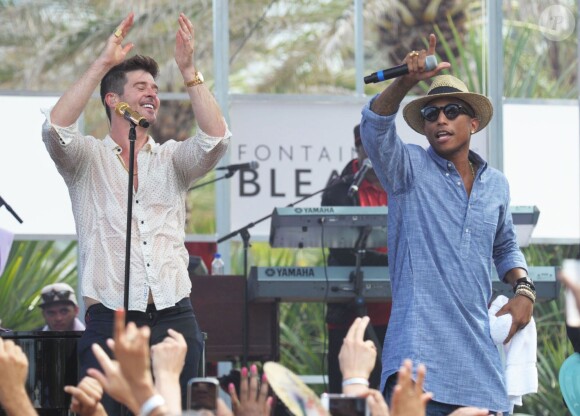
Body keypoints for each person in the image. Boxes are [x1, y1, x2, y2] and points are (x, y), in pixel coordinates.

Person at [41, 11, 230, 414]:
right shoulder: (87, 159)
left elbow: (215, 141)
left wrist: (189, 69)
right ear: (114, 100)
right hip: (110, 317)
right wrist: (102, 65)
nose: (153, 94)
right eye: (140, 86)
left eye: (156, 89)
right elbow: (55, 129)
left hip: (174, 315)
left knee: (181, 409)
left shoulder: (171, 159)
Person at [359, 34, 535, 415]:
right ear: (423, 127)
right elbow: (373, 128)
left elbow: (504, 246)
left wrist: (524, 289)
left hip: (481, 368)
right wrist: (406, 80)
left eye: (452, 110)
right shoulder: (409, 169)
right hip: (419, 364)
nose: (440, 119)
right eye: (430, 114)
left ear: (473, 122)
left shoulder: (497, 185)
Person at [321, 124, 391, 393]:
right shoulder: (341, 188)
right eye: (367, 147)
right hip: (349, 308)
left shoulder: (401, 183)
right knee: (347, 396)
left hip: (395, 311)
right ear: (358, 149)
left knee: (389, 391)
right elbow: (339, 246)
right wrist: (388, 262)